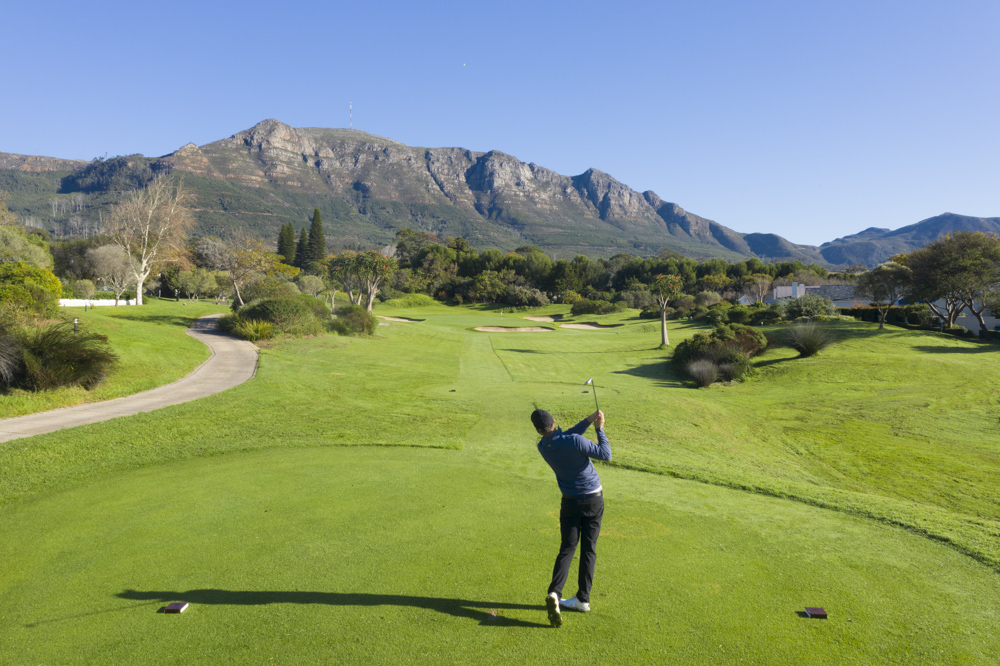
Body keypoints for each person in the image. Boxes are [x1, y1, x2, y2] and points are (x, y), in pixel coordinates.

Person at [531, 408, 611, 628]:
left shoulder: (543, 446)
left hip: (570, 502)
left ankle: (554, 593)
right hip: (593, 500)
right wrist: (599, 429)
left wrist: (587, 420)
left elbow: (568, 437)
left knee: (567, 548)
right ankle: (583, 599)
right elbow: (606, 454)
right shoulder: (574, 440)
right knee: (589, 549)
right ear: (555, 422)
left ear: (539, 431)